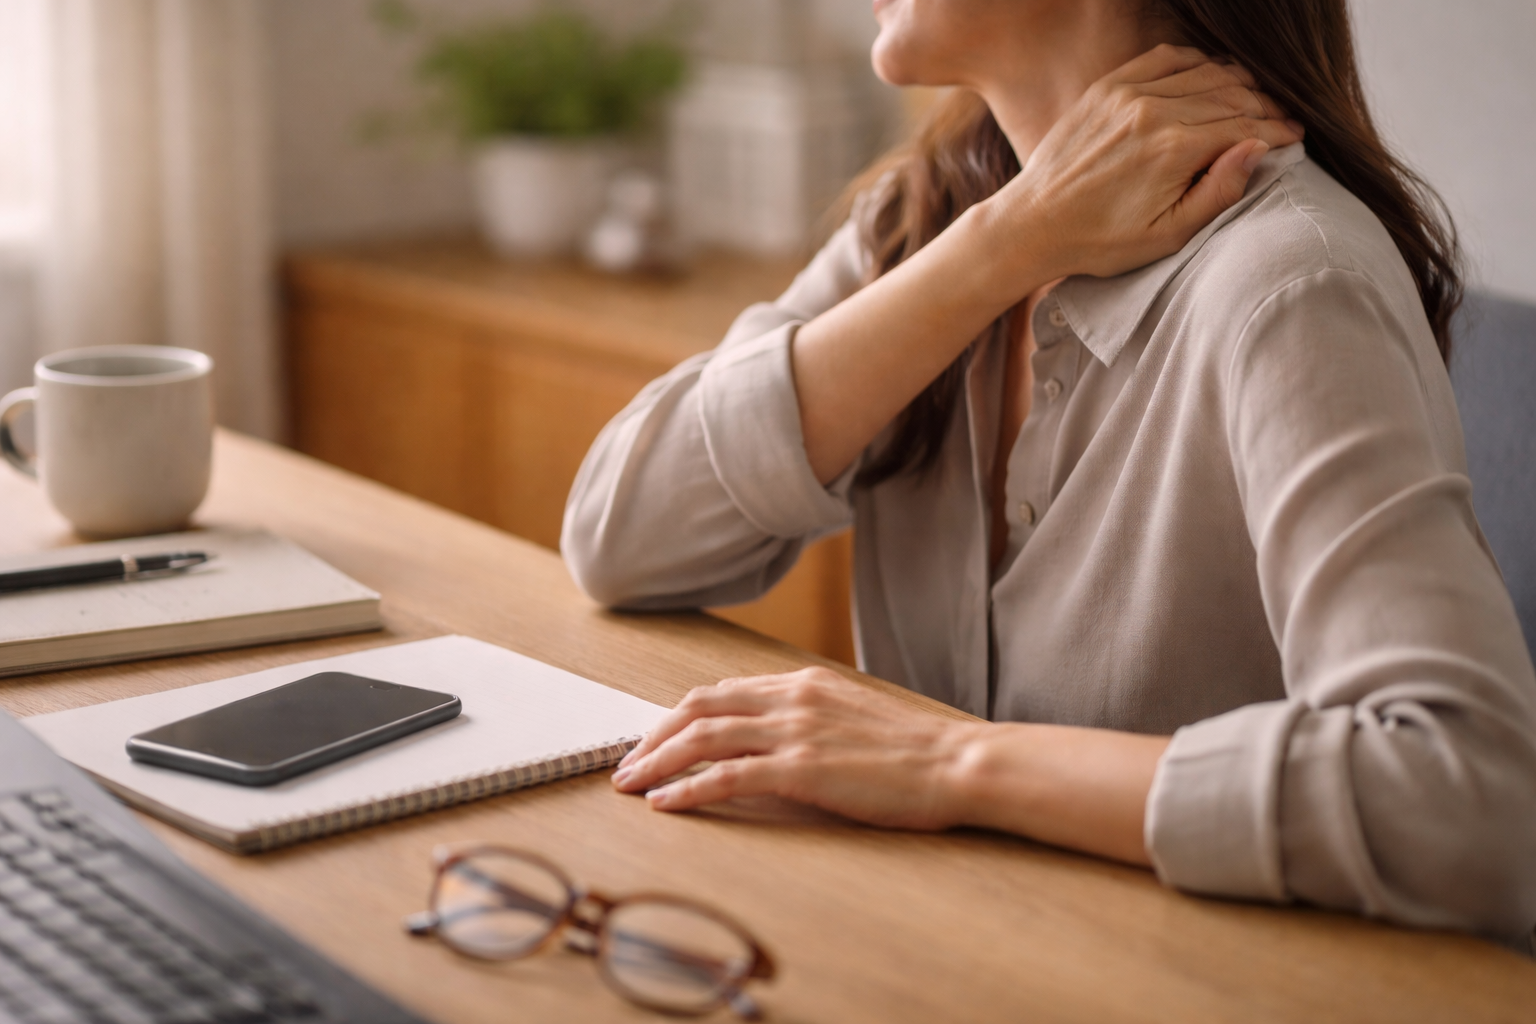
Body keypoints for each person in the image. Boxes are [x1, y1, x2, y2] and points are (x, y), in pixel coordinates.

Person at [562, 0, 1536, 941]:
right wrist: (1004, 246)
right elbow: (618, 540)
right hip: (937, 954)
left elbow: (1474, 800)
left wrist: (954, 762)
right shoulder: (931, 213)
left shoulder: (1287, 282)